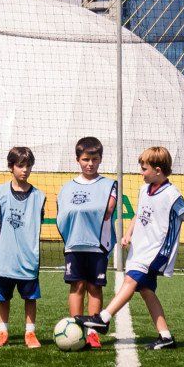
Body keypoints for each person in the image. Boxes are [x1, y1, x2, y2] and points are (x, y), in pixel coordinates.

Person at [77, 146, 184, 349]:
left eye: (144, 169)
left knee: (132, 279)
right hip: (141, 248)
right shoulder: (144, 189)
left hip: (157, 250)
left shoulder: (171, 194)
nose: (141, 173)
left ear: (158, 171)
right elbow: (138, 213)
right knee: (146, 291)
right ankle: (166, 336)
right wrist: (128, 233)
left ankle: (103, 318)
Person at [57, 136, 118, 349]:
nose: (90, 164)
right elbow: (63, 214)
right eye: (85, 159)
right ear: (77, 160)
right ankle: (76, 330)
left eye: (94, 159)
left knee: (94, 287)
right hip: (74, 244)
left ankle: (92, 331)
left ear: (100, 159)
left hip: (97, 245)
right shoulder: (66, 188)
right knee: (77, 285)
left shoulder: (109, 185)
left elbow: (108, 210)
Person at [0, 147, 45, 348]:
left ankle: (30, 333)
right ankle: (2, 332)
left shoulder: (39, 196)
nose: (25, 170)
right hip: (6, 257)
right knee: (3, 297)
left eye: (28, 166)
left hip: (29, 257)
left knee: (30, 297)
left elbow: (38, 222)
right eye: (20, 165)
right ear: (11, 167)